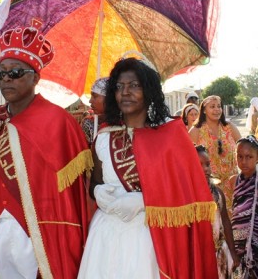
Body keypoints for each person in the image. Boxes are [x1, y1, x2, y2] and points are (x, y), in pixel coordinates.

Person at [0, 19, 93, 279]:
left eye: (15, 73)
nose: (6, 79)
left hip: (41, 232)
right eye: (1, 73)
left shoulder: (57, 120)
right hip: (0, 230)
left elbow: (73, 194)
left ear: (35, 77)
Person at [78, 57, 218, 279]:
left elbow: (188, 194)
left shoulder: (171, 134)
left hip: (150, 237)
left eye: (134, 86)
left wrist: (142, 201)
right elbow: (94, 182)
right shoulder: (103, 136)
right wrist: (97, 192)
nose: (125, 92)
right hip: (105, 235)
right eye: (119, 87)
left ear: (149, 90)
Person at [189, 95, 241, 213]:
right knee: (214, 225)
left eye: (219, 106)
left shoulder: (229, 127)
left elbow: (244, 148)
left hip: (232, 185)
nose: (217, 109)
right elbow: (187, 159)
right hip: (209, 187)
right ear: (203, 110)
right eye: (212, 106)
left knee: (234, 223)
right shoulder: (196, 131)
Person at [195, 145, 240, 278]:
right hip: (201, 255)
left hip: (220, 252)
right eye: (200, 165)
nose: (205, 169)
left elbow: (225, 221)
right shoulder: (189, 197)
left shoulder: (217, 193)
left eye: (207, 164)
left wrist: (232, 251)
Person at [231, 135, 258, 278]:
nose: (244, 161)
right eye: (240, 156)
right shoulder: (234, 181)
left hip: (255, 243)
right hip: (238, 243)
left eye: (249, 157)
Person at [80, 77, 108, 147]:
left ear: (109, 98)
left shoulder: (126, 124)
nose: (90, 101)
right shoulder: (88, 123)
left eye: (95, 96)